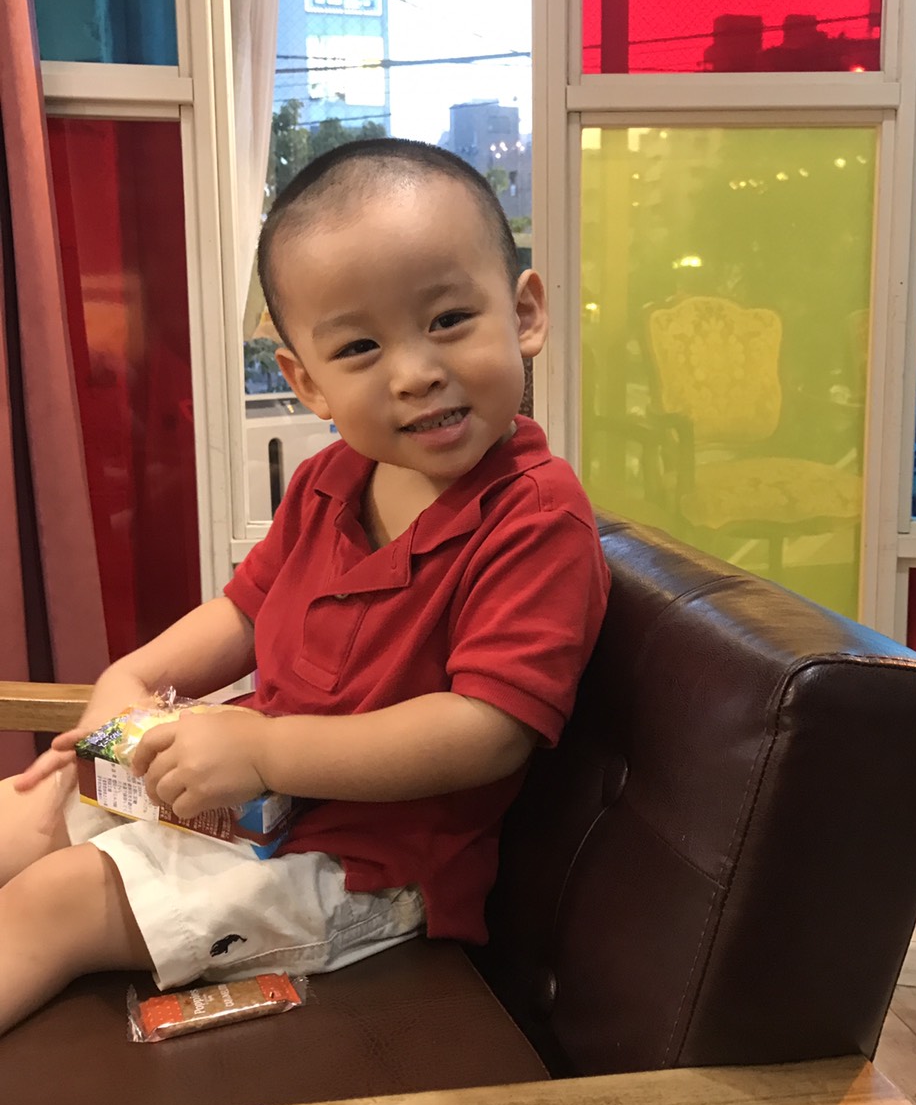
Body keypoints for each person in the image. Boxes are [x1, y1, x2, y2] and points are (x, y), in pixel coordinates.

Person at [0, 138, 610, 1036]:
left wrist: (264, 749)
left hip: (365, 870)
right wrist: (128, 681)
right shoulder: (330, 479)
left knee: (55, 901)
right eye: (360, 346)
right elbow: (241, 612)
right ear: (307, 382)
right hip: (247, 808)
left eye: (448, 319)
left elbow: (486, 732)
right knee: (19, 816)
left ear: (523, 314)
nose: (415, 372)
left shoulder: (538, 518)